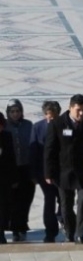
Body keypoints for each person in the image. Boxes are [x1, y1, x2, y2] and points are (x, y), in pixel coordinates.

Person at [44, 94, 83, 244]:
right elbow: (50, 149)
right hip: (63, 172)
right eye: (78, 110)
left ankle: (81, 233)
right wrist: (48, 172)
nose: (81, 113)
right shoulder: (57, 124)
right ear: (70, 108)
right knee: (66, 205)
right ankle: (70, 231)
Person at [31, 101, 63, 242]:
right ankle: (50, 231)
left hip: (62, 172)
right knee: (49, 200)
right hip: (44, 173)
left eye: (54, 117)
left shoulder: (65, 126)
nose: (51, 120)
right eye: (48, 117)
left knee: (64, 200)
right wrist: (34, 174)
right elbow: (34, 151)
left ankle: (64, 220)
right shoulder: (37, 127)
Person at [5, 99, 35, 242]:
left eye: (17, 111)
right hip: (12, 169)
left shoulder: (28, 125)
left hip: (26, 167)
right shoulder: (4, 127)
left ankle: (23, 223)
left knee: (26, 198)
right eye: (12, 112)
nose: (15, 114)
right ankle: (15, 227)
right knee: (13, 200)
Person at [0, 113, 18, 244]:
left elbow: (12, 158)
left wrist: (14, 178)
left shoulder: (6, 136)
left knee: (3, 207)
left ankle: (1, 233)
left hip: (4, 179)